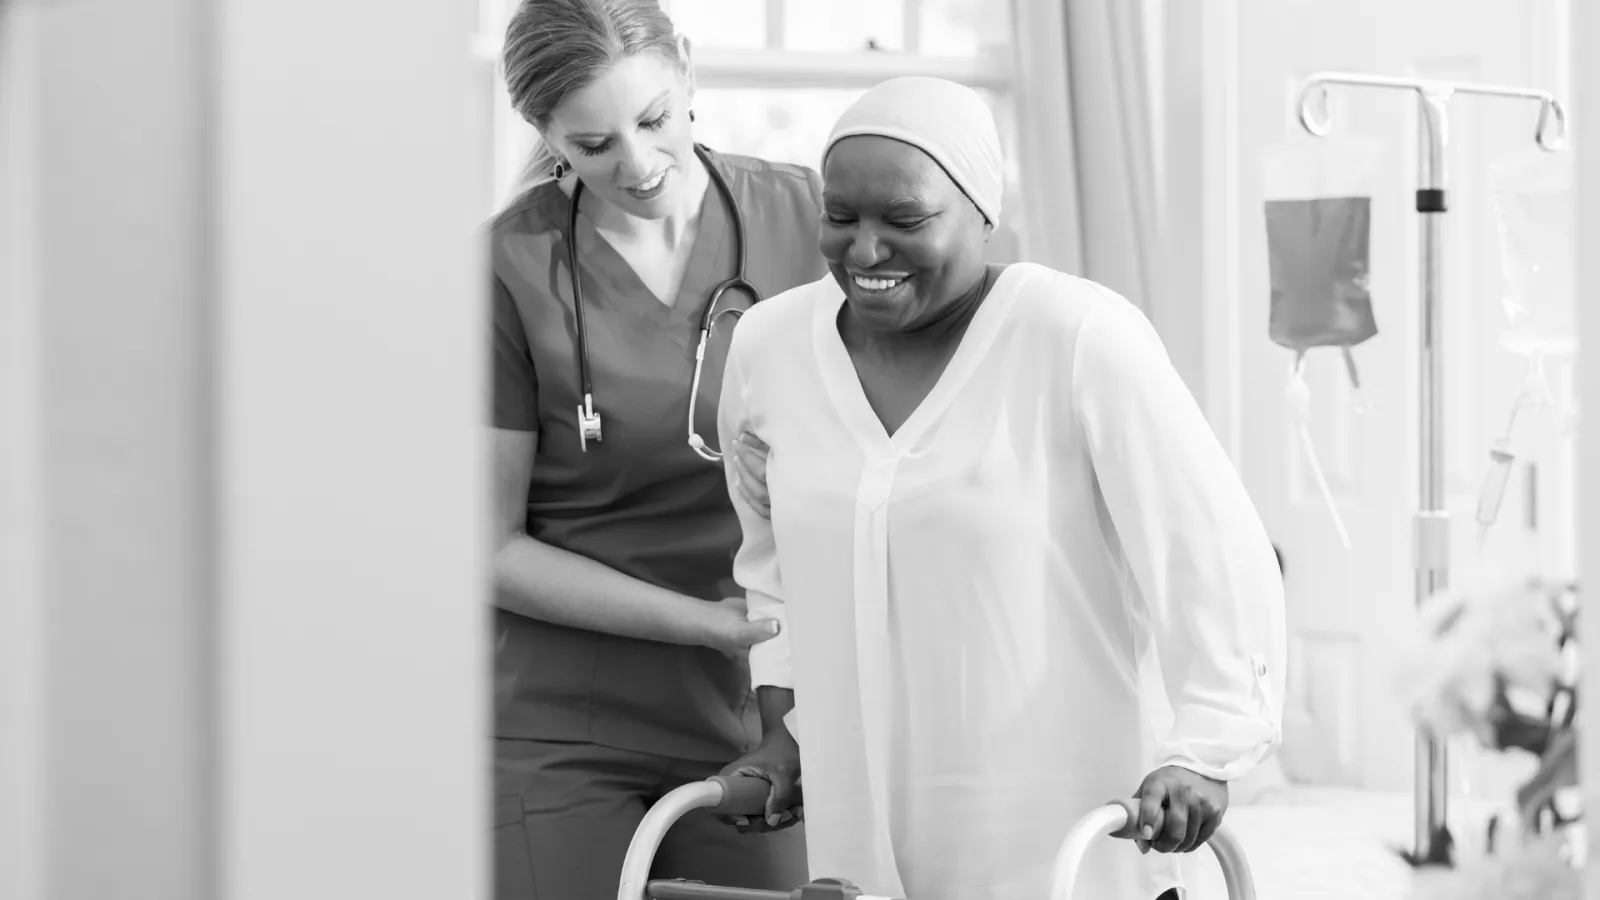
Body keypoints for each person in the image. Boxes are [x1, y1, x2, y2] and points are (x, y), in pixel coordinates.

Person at [714, 76, 1287, 900]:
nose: (865, 250)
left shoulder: (1077, 337)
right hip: (857, 818)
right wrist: (787, 732)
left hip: (1050, 822)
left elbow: (1210, 550)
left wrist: (1205, 753)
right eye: (840, 216)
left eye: (905, 221)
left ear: (984, 211)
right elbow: (772, 566)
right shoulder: (769, 348)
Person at [487, 1, 821, 897]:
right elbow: (487, 548)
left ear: (686, 68)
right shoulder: (507, 267)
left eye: (653, 119)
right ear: (544, 131)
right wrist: (710, 625)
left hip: (762, 716)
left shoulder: (809, 218)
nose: (636, 167)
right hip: (560, 725)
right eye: (594, 146)